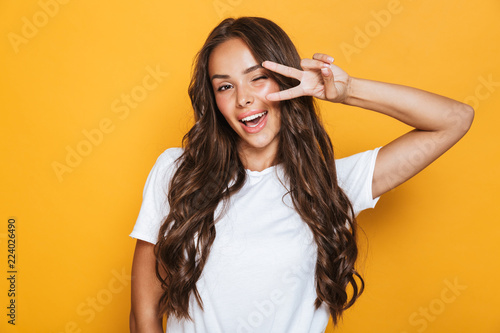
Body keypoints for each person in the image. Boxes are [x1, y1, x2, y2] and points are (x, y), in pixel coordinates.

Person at [128, 16, 473, 333]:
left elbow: (454, 119)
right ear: (214, 100)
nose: (244, 99)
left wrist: (347, 90)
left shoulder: (330, 185)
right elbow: (143, 316)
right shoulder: (178, 172)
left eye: (258, 78)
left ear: (287, 80)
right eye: (225, 86)